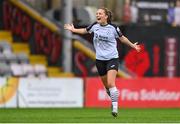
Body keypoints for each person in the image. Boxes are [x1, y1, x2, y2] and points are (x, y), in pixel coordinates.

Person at [64, 7, 141, 117]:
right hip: (100, 60)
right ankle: (112, 98)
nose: (97, 15)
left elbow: (122, 38)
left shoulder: (113, 28)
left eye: (100, 13)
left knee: (111, 83)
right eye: (97, 14)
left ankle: (115, 107)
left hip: (112, 59)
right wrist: (74, 30)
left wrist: (133, 45)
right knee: (107, 86)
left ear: (106, 16)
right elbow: (85, 30)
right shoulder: (94, 26)